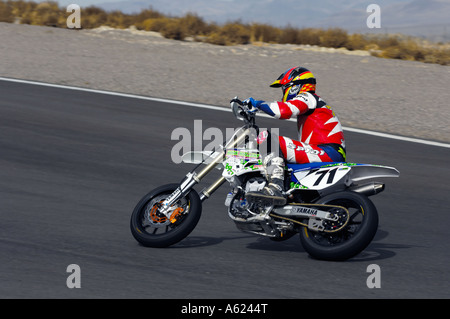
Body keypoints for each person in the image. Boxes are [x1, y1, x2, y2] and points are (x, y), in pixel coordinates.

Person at [244, 66, 346, 205]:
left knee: (267, 138)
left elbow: (283, 111)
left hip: (326, 152)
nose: (283, 93)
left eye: (284, 88)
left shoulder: (308, 97)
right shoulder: (314, 102)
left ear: (294, 87)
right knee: (283, 162)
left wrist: (257, 104)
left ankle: (276, 187)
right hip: (325, 152)